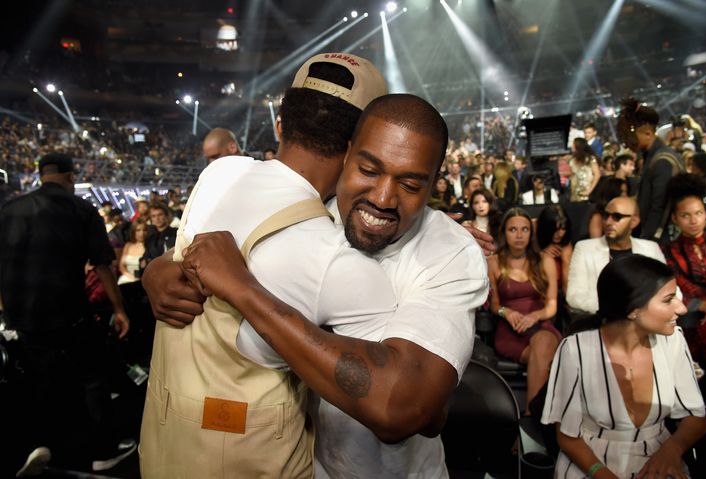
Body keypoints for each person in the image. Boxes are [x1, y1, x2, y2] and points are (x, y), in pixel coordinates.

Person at [148, 94, 489, 478]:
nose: (382, 197)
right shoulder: (316, 217)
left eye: (410, 184)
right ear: (346, 155)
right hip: (310, 465)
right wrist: (160, 268)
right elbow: (215, 250)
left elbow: (409, 411)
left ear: (432, 186)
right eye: (369, 170)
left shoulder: (450, 252)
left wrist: (243, 289)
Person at [139, 53, 395, 478]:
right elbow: (394, 401)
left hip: (163, 445)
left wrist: (158, 265)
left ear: (282, 121)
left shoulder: (220, 174)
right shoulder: (332, 253)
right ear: (358, 148)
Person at [0, 153, 134, 475]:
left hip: (21, 316)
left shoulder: (10, 210)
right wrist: (119, 309)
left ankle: (41, 445)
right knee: (92, 376)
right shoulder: (82, 210)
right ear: (70, 176)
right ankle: (101, 450)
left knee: (37, 379)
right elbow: (102, 265)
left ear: (41, 174)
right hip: (68, 312)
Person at [542, 255, 706, 479]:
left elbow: (695, 418)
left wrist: (671, 449)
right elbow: (566, 436)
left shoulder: (673, 341)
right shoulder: (575, 350)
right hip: (591, 465)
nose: (682, 309)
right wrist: (602, 474)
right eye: (668, 299)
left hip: (658, 465)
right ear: (633, 310)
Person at [488, 207, 560, 413]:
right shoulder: (493, 262)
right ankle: (541, 417)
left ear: (531, 233)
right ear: (504, 233)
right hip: (510, 330)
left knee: (544, 341)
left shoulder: (545, 261)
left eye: (525, 229)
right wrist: (506, 312)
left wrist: (535, 316)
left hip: (541, 324)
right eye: (513, 230)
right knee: (545, 355)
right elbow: (494, 306)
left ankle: (530, 414)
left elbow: (552, 305)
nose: (519, 235)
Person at [567, 196, 667, 315]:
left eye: (617, 217)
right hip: (601, 321)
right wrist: (619, 310)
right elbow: (574, 296)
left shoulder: (650, 248)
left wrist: (643, 310)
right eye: (606, 215)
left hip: (645, 320)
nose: (608, 222)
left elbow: (671, 290)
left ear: (634, 221)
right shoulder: (585, 248)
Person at [662, 174, 706, 370]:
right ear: (675, 218)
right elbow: (674, 289)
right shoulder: (667, 251)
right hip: (690, 318)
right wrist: (702, 304)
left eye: (699, 213)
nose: (693, 220)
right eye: (686, 215)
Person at [617, 97, 683, 242]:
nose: (628, 143)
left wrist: (647, 240)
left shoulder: (662, 161)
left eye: (631, 136)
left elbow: (659, 207)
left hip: (661, 239)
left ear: (648, 134)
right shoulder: (652, 157)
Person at [537, 205, 573, 296]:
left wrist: (565, 260)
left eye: (563, 229)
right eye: (556, 229)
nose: (560, 234)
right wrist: (541, 253)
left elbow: (568, 292)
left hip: (562, 297)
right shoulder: (533, 239)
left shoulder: (567, 245)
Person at [569, 137, 601, 202]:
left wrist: (590, 190)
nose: (572, 146)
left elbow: (597, 174)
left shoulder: (590, 159)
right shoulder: (572, 160)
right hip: (575, 192)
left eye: (573, 144)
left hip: (587, 190)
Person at [117, 220, 147, 284]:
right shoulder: (128, 245)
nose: (142, 233)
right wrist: (130, 277)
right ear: (133, 232)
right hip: (127, 277)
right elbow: (121, 266)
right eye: (138, 230)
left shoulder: (149, 246)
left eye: (144, 230)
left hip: (142, 279)